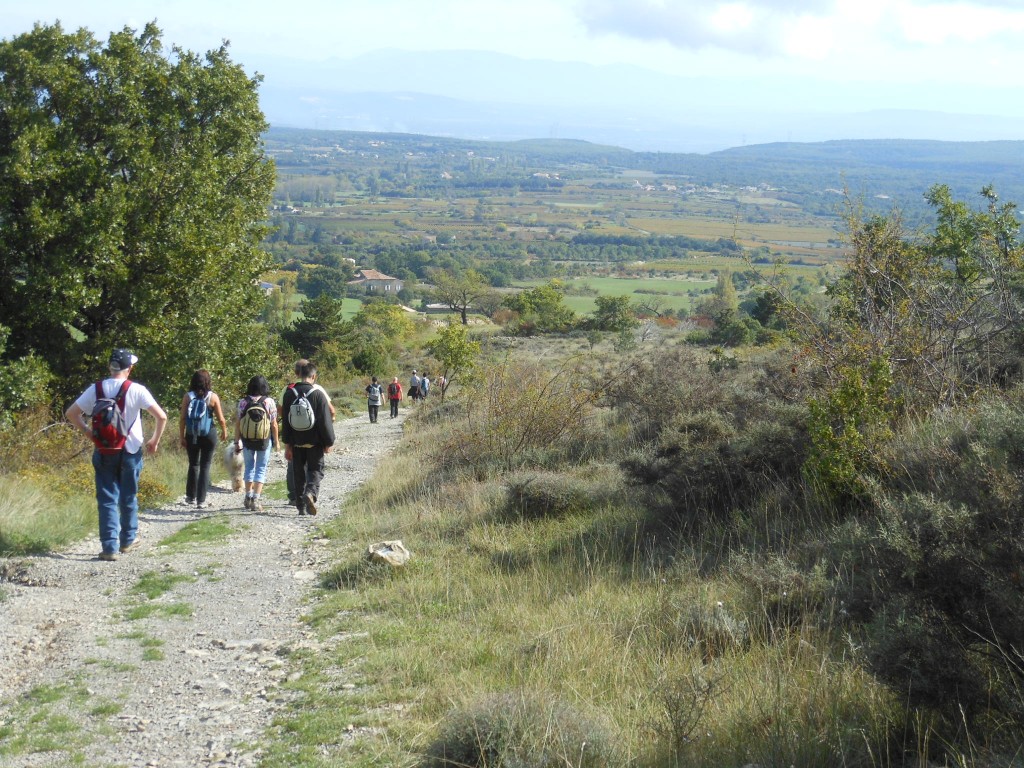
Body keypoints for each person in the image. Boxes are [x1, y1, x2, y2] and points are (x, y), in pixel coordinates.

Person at [65, 348, 168, 561]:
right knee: (128, 496)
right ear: (129, 369)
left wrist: (89, 433)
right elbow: (162, 417)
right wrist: (154, 440)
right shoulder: (137, 390)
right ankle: (128, 540)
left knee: (107, 498)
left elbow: (71, 413)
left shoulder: (96, 389)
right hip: (130, 451)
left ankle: (109, 547)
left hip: (104, 449)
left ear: (110, 368)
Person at [282, 360, 335, 516]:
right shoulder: (318, 394)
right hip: (315, 442)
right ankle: (310, 493)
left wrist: (287, 444)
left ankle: (300, 506)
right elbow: (325, 421)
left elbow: (286, 421)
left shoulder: (289, 393)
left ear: (299, 375)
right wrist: (328, 442)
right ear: (314, 376)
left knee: (298, 474)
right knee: (316, 470)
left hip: (296, 442)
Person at [178, 369, 229, 509]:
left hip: (191, 434)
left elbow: (182, 418)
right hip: (209, 434)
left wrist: (181, 436)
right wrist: (224, 431)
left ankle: (190, 496)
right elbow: (221, 419)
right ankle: (201, 500)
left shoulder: (188, 397)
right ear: (208, 382)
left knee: (193, 464)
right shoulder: (213, 397)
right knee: (205, 465)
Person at [234, 375, 279, 513]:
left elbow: (238, 424)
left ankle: (248, 496)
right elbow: (274, 424)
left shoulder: (243, 402)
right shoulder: (269, 402)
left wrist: (237, 441)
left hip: (247, 440)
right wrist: (276, 442)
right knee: (261, 468)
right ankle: (256, 498)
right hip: (264, 440)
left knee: (249, 467)